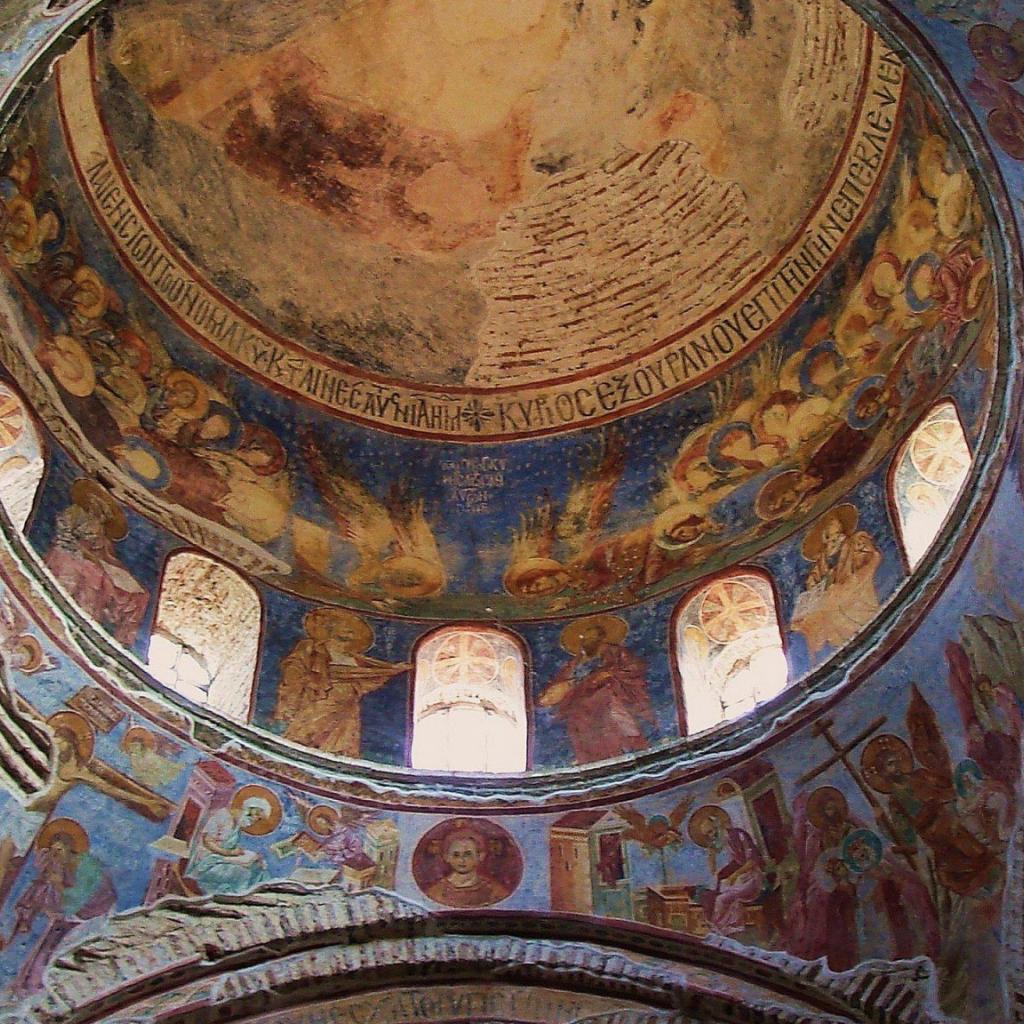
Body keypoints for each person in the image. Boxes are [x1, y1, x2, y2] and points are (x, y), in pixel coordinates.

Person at [273, 608, 409, 758]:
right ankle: (299, 745)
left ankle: (337, 754)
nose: (350, 634)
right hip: (325, 694)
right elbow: (295, 667)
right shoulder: (313, 648)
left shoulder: (354, 657)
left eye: (352, 631)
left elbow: (372, 672)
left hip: (348, 701)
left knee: (344, 730)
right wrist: (298, 683)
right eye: (346, 628)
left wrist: (394, 670)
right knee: (314, 722)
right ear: (331, 628)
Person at [7, 819, 115, 996]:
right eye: (52, 850)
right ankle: (27, 984)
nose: (55, 855)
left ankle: (40, 987)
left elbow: (81, 898)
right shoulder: (61, 865)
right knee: (47, 943)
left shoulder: (88, 866)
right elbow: (48, 891)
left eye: (59, 850)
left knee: (61, 948)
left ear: (70, 848)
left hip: (93, 915)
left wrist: (58, 886)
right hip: (68, 916)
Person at [539, 615, 655, 765]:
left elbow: (634, 667)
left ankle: (623, 751)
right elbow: (562, 683)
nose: (587, 641)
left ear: (601, 638)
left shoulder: (614, 652)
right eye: (585, 638)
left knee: (609, 718)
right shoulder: (575, 662)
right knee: (579, 723)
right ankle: (589, 758)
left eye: (592, 637)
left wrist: (607, 674)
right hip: (579, 704)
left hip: (607, 693)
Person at [44, 479, 148, 645]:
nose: (102, 514)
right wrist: (81, 550)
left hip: (90, 560)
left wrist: (101, 560)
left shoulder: (101, 529)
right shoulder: (74, 513)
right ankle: (76, 614)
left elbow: (105, 553)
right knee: (94, 575)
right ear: (91, 501)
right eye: (100, 507)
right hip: (70, 554)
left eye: (105, 512)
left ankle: (92, 627)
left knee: (133, 590)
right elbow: (64, 536)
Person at [791, 505, 881, 657]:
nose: (833, 525)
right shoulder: (823, 555)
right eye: (830, 524)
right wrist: (815, 584)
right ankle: (818, 656)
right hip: (833, 590)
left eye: (834, 522)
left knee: (829, 603)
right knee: (809, 619)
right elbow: (815, 577)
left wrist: (857, 557)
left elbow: (869, 556)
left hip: (851, 584)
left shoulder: (854, 540)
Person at [185, 786, 281, 895]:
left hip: (221, 859)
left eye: (258, 819)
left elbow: (232, 848)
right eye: (256, 816)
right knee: (242, 873)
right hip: (206, 863)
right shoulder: (222, 815)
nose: (254, 820)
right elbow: (208, 841)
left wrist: (251, 856)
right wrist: (229, 853)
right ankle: (235, 897)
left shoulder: (237, 826)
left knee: (258, 869)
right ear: (250, 809)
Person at [424, 826, 510, 908]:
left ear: (480, 856)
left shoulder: (494, 891)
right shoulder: (436, 891)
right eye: (456, 855)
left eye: (467, 854)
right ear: (446, 857)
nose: (462, 860)